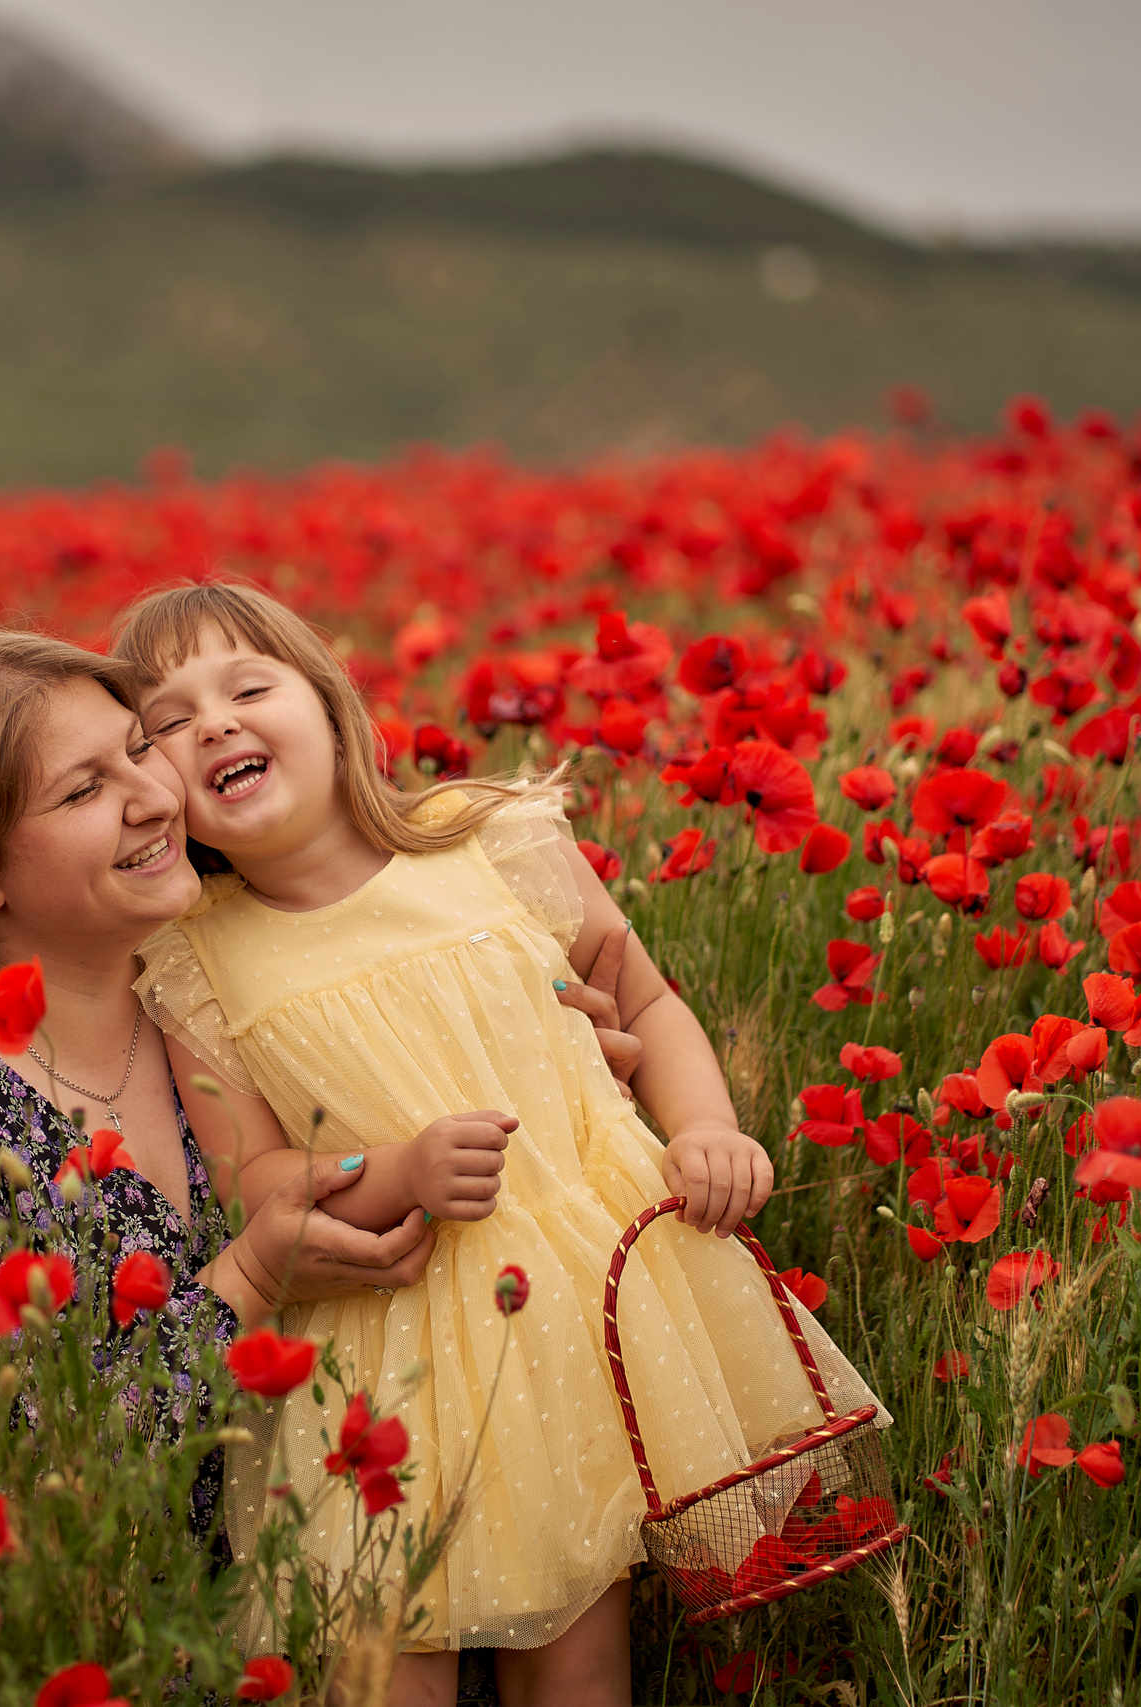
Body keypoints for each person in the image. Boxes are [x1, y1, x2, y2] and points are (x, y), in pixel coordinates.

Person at [112, 584, 888, 1707]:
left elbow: (647, 1000)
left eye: (246, 688)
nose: (215, 725)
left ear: (331, 710)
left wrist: (707, 1129)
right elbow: (258, 1180)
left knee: (575, 1647)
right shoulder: (199, 961)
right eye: (170, 723)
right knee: (381, 1656)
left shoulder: (486, 842)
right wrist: (396, 1174)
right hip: (383, 1348)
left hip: (583, 1304)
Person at [0, 628, 646, 1548]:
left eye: (137, 749)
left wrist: (544, 1049)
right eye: (86, 789)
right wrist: (247, 1282)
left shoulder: (230, 992)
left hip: (438, 1545)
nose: (157, 796)